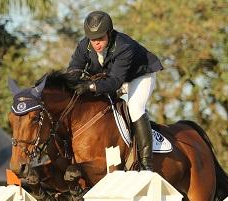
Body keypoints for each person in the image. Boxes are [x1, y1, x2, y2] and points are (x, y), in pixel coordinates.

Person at [67, 10, 163, 171]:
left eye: (100, 38)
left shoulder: (124, 46)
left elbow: (115, 81)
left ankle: (147, 163)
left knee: (135, 107)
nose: (96, 43)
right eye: (93, 39)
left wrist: (90, 86)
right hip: (111, 79)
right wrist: (71, 83)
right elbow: (74, 68)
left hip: (139, 76)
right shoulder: (84, 45)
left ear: (109, 34)